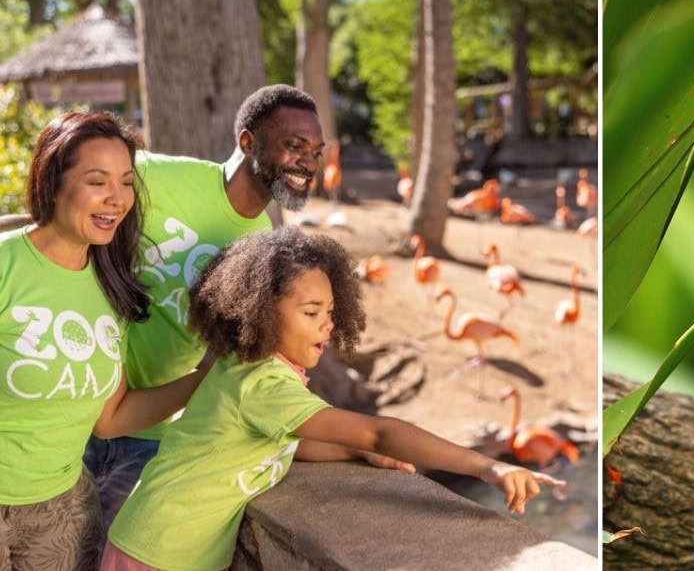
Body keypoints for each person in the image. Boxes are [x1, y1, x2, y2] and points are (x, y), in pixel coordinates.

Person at [100, 227, 565, 570]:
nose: (327, 324)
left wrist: (352, 452)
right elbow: (379, 432)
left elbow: (283, 442)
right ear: (260, 312)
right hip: (158, 554)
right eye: (310, 312)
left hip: (161, 542)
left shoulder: (244, 365)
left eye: (330, 311)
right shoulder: (262, 384)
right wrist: (488, 467)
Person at [83, 85, 333, 533]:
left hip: (148, 431)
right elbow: (63, 222)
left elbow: (231, 359)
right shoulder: (152, 175)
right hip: (73, 409)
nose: (308, 162)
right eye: (295, 145)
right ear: (248, 142)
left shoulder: (262, 247)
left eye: (316, 151)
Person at [0, 112, 211, 570]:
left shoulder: (111, 285)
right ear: (53, 182)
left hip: (63, 515)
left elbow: (111, 420)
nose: (117, 199)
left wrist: (206, 377)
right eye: (98, 182)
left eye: (127, 183)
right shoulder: (6, 265)